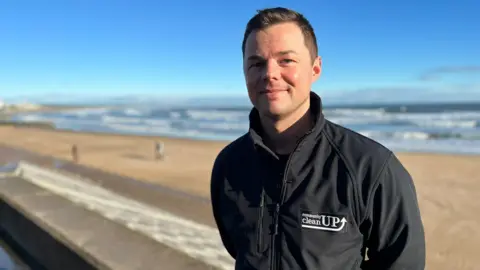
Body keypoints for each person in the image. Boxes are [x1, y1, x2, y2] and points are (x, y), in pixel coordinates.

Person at [210, 7, 426, 270]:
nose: (270, 73)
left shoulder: (369, 167)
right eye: (256, 63)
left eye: (286, 60)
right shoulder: (229, 165)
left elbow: (403, 263)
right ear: (244, 72)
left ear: (315, 69)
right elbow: (238, 249)